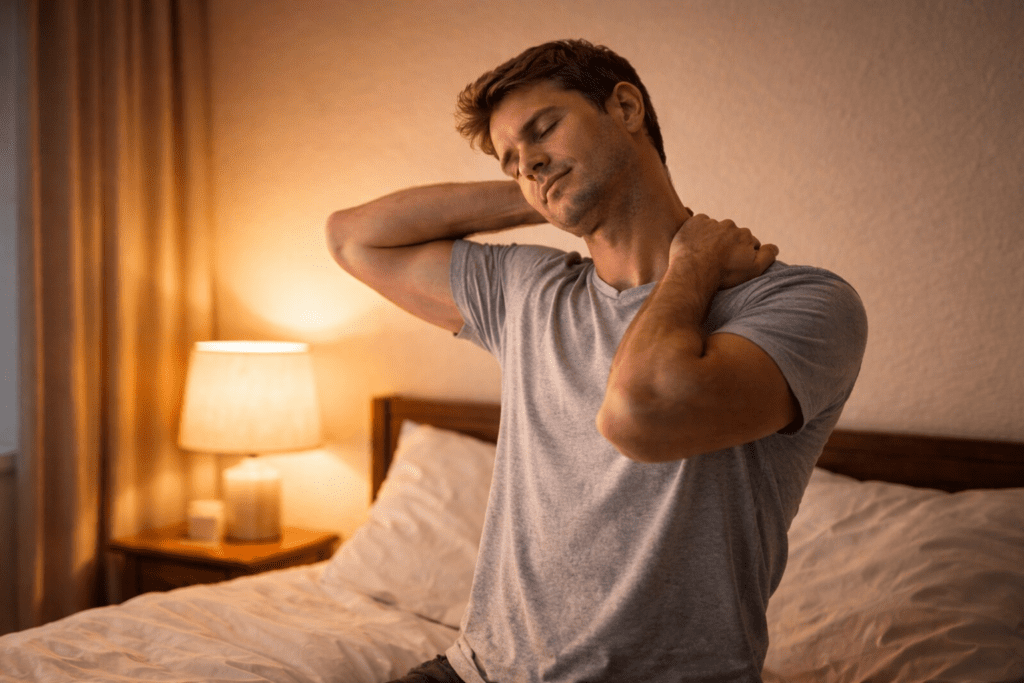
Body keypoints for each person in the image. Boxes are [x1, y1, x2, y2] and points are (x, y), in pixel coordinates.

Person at [326, 39, 867, 683]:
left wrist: (691, 264)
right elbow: (352, 238)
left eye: (544, 128)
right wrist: (540, 191)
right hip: (475, 673)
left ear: (627, 107)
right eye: (511, 162)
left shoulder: (801, 302)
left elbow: (641, 415)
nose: (527, 163)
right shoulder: (529, 293)